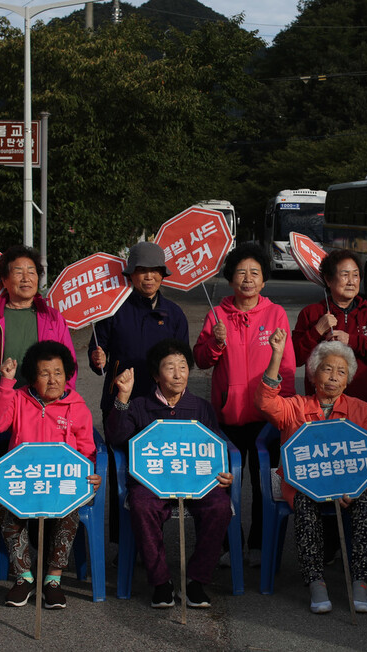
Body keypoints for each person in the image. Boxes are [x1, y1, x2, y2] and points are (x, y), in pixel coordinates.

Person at [257, 329, 367, 614]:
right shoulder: (296, 407)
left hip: (352, 485)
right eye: (327, 369)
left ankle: (361, 582)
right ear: (313, 375)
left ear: (349, 379)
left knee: (364, 503)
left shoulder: (362, 409)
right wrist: (277, 355)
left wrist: (353, 487)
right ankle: (316, 582)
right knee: (304, 502)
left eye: (341, 371)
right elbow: (265, 403)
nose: (334, 376)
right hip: (304, 485)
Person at [106, 339, 233, 609]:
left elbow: (216, 447)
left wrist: (225, 473)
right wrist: (123, 397)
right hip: (152, 482)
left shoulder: (201, 407)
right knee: (140, 504)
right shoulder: (139, 406)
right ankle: (161, 582)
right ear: (155, 375)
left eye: (183, 367)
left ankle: (197, 581)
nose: (178, 374)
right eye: (170, 368)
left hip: (197, 481)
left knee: (220, 506)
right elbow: (117, 438)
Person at [193, 243, 295, 567]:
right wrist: (216, 341)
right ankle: (229, 545)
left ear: (264, 281)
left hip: (266, 417)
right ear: (230, 279)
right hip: (228, 416)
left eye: (254, 273)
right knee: (224, 485)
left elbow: (288, 367)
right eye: (241, 273)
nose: (248, 279)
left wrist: (286, 414)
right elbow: (200, 360)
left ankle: (259, 546)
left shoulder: (275, 313)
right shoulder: (217, 314)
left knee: (265, 483)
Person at [0, 340, 101, 609]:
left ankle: (52, 580)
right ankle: (23, 577)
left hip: (60, 485)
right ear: (33, 377)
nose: (52, 379)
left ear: (67, 374)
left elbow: (87, 449)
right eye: (45, 373)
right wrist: (4, 384)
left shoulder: (77, 406)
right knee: (4, 502)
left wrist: (92, 473)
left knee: (72, 505)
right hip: (25, 483)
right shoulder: (18, 398)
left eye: (58, 372)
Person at [87, 241, 189, 542]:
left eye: (155, 272)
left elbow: (182, 361)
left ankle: (153, 536)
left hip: (162, 404)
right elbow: (98, 345)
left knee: (157, 468)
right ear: (130, 275)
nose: (148, 278)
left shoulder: (174, 313)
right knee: (122, 469)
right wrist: (98, 357)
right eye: (142, 271)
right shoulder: (112, 310)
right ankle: (123, 541)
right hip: (121, 402)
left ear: (163, 276)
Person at [0, 245, 75, 488]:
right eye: (18, 272)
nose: (26, 278)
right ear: (4, 279)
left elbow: (70, 367)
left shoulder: (53, 317)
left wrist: (60, 402)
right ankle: (2, 527)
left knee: (38, 479)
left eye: (32, 272)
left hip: (41, 410)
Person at [292, 248, 367, 408]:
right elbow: (295, 358)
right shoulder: (312, 313)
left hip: (360, 406)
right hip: (318, 407)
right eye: (345, 275)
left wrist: (352, 341)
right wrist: (317, 331)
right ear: (328, 279)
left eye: (355, 275)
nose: (351, 281)